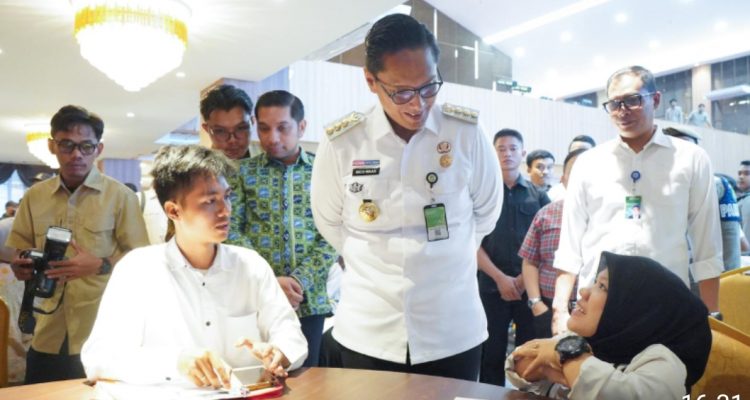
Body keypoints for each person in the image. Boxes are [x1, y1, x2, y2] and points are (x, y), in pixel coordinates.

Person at [311, 13, 502, 381]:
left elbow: (487, 213)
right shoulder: (343, 143)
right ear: (371, 81)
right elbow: (329, 222)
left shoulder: (464, 133)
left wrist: (445, 255)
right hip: (369, 331)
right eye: (401, 92)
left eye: (429, 87)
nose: (418, 104)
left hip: (452, 328)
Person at [82, 145, 307, 388]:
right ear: (174, 211)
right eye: (210, 201)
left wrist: (279, 352)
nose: (225, 210)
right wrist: (176, 362)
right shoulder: (138, 270)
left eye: (227, 197)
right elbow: (99, 358)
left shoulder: (250, 265)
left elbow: (289, 332)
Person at [551, 66, 722, 335]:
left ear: (656, 99)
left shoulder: (691, 159)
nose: (623, 111)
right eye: (614, 104)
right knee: (593, 363)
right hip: (597, 304)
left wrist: (711, 317)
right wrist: (560, 309)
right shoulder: (588, 163)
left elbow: (707, 247)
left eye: (632, 100)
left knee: (662, 364)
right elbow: (570, 244)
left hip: (664, 302)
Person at [7, 105, 148, 384]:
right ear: (52, 146)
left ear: (99, 149)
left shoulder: (120, 197)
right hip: (46, 327)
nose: (76, 155)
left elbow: (140, 257)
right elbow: (20, 248)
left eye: (86, 146)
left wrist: (101, 264)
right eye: (67, 145)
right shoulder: (35, 197)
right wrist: (21, 265)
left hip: (101, 328)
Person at [227, 90, 336, 367]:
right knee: (259, 372)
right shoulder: (242, 172)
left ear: (302, 127)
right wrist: (271, 280)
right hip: (257, 296)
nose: (272, 138)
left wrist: (298, 281)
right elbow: (232, 229)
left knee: (309, 378)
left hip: (308, 298)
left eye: (283, 128)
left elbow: (334, 234)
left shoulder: (324, 170)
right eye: (264, 128)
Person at [507, 252, 712, 399]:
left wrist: (562, 357)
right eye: (595, 282)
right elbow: (520, 362)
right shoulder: (590, 339)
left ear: (632, 308)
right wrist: (564, 367)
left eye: (602, 286)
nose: (584, 292)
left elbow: (619, 395)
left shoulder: (664, 361)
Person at [477, 129, 549, 385]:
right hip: (490, 286)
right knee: (490, 352)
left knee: (528, 354)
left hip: (529, 288)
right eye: (501, 149)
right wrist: (500, 278)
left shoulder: (538, 195)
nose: (507, 154)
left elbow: (547, 242)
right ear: (493, 152)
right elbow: (472, 241)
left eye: (513, 148)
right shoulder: (483, 193)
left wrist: (522, 279)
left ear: (522, 153)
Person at [519, 148, 587, 340]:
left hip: (592, 308)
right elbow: (530, 261)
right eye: (575, 172)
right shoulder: (546, 214)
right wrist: (536, 303)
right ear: (563, 179)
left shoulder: (609, 218)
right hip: (547, 307)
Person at [664, 126, 742, 271]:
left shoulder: (717, 185)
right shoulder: (657, 185)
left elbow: (730, 236)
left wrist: (729, 276)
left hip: (704, 274)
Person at [201, 84, 255, 161]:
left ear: (252, 122)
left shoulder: (269, 156)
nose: (232, 140)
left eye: (241, 128)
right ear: (207, 129)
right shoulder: (198, 166)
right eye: (220, 131)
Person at [737, 160, 750, 243]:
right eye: (739, 173)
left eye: (747, 173)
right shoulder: (742, 199)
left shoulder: (748, 201)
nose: (741, 177)